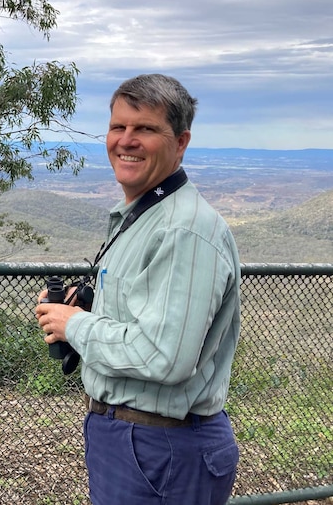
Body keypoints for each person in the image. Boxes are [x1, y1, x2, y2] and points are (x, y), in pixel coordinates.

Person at [35, 73, 241, 505]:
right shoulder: (143, 215)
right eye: (118, 127)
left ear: (180, 142)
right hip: (132, 439)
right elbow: (145, 316)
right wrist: (87, 307)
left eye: (145, 128)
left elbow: (165, 356)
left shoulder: (185, 230)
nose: (126, 140)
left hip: (162, 448)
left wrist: (76, 326)